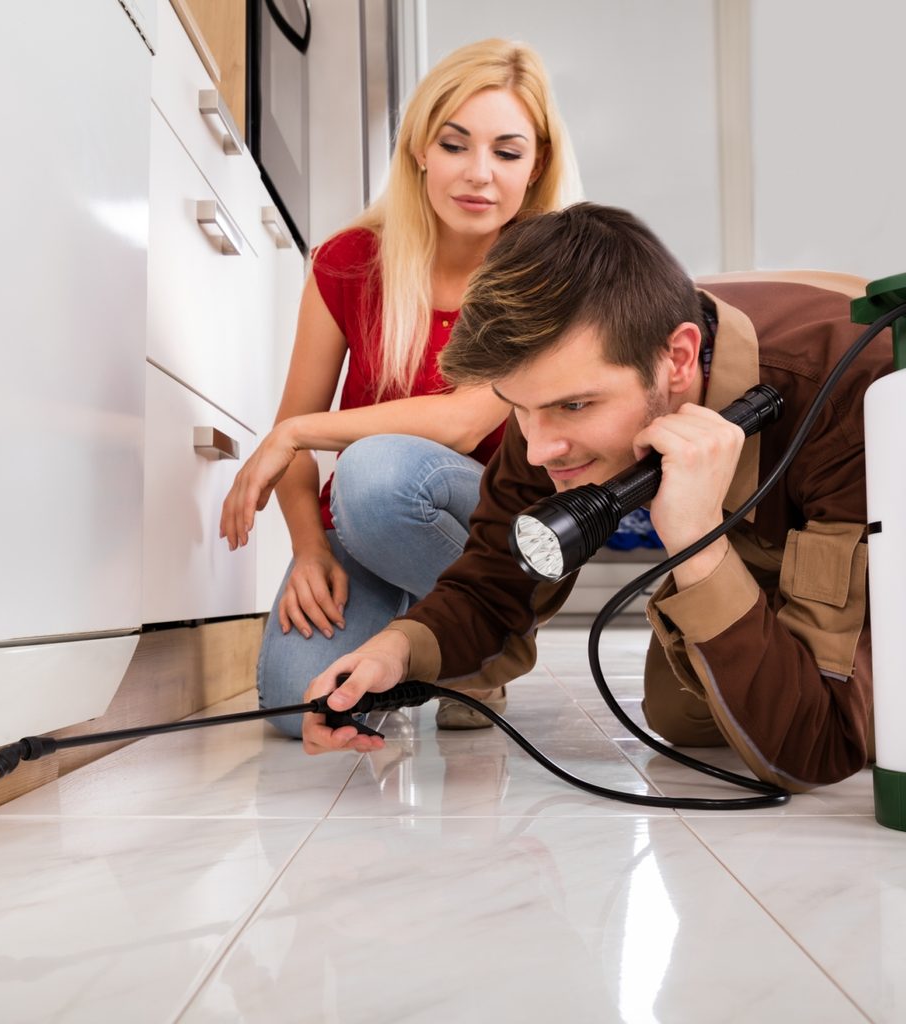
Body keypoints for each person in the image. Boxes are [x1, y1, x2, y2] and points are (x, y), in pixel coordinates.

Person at [303, 202, 889, 793]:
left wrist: (697, 544)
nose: (537, 451)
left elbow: (815, 754)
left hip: (877, 532)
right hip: (768, 543)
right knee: (679, 709)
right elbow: (491, 587)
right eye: (519, 406)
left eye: (575, 406)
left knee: (804, 717)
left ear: (679, 359)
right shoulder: (554, 400)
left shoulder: (853, 401)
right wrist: (396, 652)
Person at [220, 39, 583, 737]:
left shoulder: (547, 271)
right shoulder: (348, 263)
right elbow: (293, 434)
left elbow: (460, 423)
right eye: (456, 145)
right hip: (369, 524)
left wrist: (293, 434)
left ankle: (484, 638)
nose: (479, 175)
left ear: (535, 166)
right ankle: (434, 645)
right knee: (302, 705)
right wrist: (309, 550)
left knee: (376, 469)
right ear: (420, 147)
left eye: (507, 153)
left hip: (504, 532)